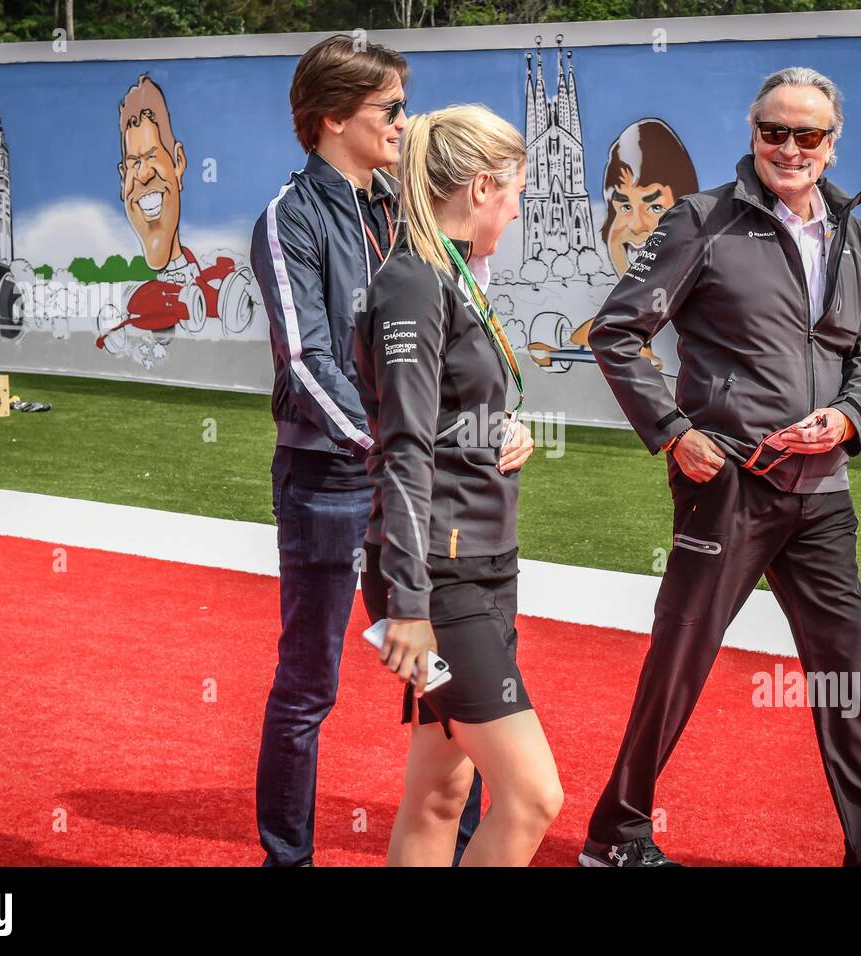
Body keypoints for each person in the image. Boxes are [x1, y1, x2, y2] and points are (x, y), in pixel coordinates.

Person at [580, 67, 861, 868]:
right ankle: (616, 836)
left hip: (822, 492)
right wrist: (671, 431)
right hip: (725, 485)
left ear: (833, 146)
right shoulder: (701, 222)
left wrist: (845, 417)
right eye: (775, 131)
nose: (790, 148)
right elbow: (614, 332)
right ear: (753, 134)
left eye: (808, 135)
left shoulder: (849, 229)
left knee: (849, 679)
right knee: (681, 663)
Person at [250, 34, 481, 868]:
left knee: (453, 673)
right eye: (390, 109)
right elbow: (305, 362)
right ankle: (290, 859)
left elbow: (455, 334)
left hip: (412, 476)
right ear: (333, 117)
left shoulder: (403, 206)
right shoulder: (289, 217)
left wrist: (481, 421)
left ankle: (465, 847)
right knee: (310, 686)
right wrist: (387, 445)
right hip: (328, 480)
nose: (403, 122)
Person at [356, 104, 563, 866]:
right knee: (535, 797)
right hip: (438, 585)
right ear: (481, 186)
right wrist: (408, 607)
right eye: (515, 191)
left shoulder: (452, 272)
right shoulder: (415, 280)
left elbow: (446, 414)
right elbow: (403, 445)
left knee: (441, 793)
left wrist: (501, 426)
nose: (518, 206)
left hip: (481, 564)